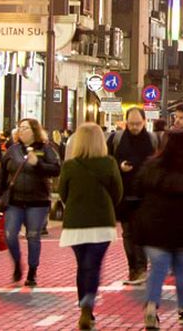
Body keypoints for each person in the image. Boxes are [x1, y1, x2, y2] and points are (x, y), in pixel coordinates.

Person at [135, 130, 183, 329]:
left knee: (157, 268)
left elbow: (138, 188)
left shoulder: (151, 165)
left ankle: (151, 305)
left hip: (155, 225)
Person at [58, 123, 122, 330]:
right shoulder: (109, 163)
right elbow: (117, 192)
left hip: (75, 223)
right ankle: (88, 304)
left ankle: (84, 307)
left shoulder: (70, 165)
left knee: (81, 265)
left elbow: (62, 194)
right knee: (93, 265)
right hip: (101, 222)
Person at [0, 117, 62, 287]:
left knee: (33, 235)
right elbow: (3, 172)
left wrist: (38, 164)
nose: (22, 131)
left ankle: (32, 271)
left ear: (34, 131)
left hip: (37, 201)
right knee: (10, 234)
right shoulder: (12, 150)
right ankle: (17, 263)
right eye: (20, 128)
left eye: (26, 128)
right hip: (15, 201)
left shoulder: (46, 149)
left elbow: (56, 169)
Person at [108, 107, 157, 285]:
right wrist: (119, 167)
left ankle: (141, 268)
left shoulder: (152, 140)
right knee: (128, 233)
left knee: (141, 232)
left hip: (145, 195)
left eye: (138, 123)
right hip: (124, 193)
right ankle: (133, 268)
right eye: (131, 124)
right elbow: (110, 160)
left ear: (144, 122)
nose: (134, 127)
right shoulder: (117, 139)